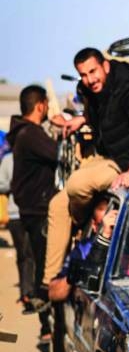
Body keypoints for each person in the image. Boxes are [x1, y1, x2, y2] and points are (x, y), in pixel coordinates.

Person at [44, 47, 129, 290]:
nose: (89, 79)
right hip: (107, 156)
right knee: (56, 205)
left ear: (105, 66)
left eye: (93, 71)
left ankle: (85, 218)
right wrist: (82, 119)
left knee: (77, 184)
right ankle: (50, 284)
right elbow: (102, 114)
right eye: (83, 75)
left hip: (125, 161)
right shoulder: (91, 92)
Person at [9, 86, 60, 333]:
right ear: (40, 105)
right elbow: (58, 154)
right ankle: (46, 324)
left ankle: (46, 322)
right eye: (47, 105)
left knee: (39, 263)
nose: (49, 108)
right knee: (45, 267)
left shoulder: (24, 134)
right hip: (38, 210)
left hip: (31, 209)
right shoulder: (30, 134)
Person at [0, 142, 36, 313]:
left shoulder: (8, 159)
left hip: (20, 213)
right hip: (27, 212)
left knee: (24, 255)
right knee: (29, 255)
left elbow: (2, 184)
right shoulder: (32, 157)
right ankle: (28, 293)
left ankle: (27, 292)